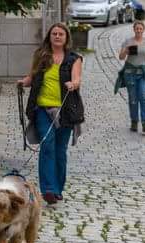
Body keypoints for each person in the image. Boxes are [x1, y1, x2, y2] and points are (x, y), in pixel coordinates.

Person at [17, 23, 84, 205]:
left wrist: (73, 84)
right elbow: (33, 77)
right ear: (49, 36)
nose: (57, 36)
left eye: (60, 34)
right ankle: (47, 189)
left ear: (66, 38)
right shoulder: (41, 56)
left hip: (65, 110)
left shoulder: (74, 58)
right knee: (47, 145)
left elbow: (77, 78)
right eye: (54, 33)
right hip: (42, 109)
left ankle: (57, 189)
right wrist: (24, 82)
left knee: (60, 151)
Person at [118, 20, 145, 135]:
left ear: (143, 30)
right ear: (134, 29)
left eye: (140, 28)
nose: (138, 30)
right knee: (133, 99)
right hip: (130, 74)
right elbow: (121, 57)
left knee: (144, 96)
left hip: (144, 74)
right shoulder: (128, 42)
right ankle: (134, 121)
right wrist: (126, 50)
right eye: (137, 28)